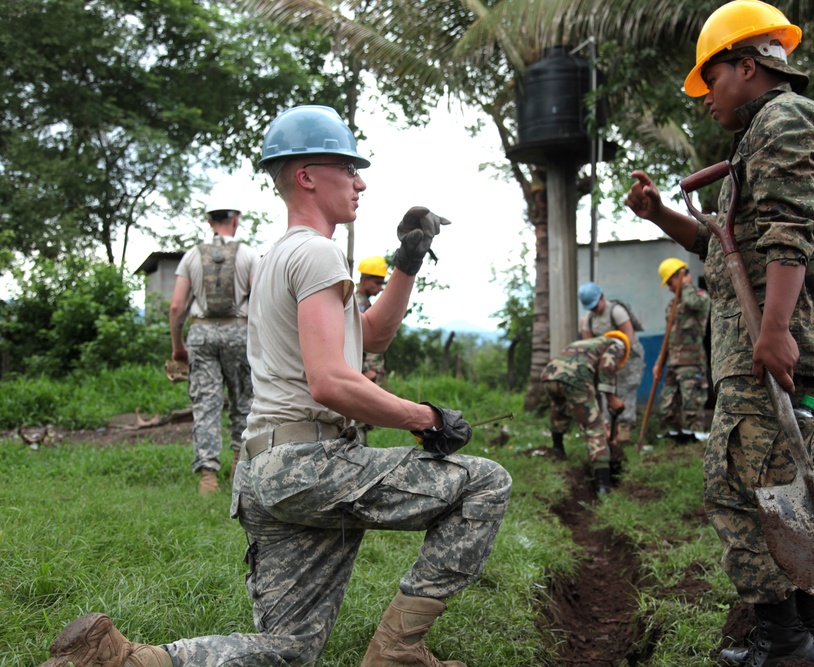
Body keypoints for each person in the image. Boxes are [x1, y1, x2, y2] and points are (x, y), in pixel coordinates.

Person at [40, 104, 512, 667]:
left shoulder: (278, 257)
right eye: (348, 168)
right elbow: (332, 381)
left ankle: (123, 660)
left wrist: (408, 262)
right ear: (307, 176)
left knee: (291, 650)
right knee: (484, 483)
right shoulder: (316, 252)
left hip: (265, 472)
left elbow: (367, 338)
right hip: (309, 463)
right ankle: (399, 653)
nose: (360, 182)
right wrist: (426, 418)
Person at [625, 2, 814, 664]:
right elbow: (727, 251)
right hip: (766, 347)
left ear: (747, 66)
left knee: (738, 486)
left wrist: (775, 330)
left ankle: (783, 643)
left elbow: (791, 229)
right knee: (779, 488)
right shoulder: (757, 137)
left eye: (711, 78)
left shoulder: (784, 120)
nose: (705, 99)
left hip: (779, 348)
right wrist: (660, 213)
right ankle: (800, 630)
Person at [169, 201, 258, 495]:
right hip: (238, 332)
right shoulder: (247, 254)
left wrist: (177, 345)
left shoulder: (192, 256)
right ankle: (238, 464)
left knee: (205, 404)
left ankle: (207, 477)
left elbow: (176, 306)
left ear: (209, 221)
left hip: (202, 332)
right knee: (242, 401)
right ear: (236, 220)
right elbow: (259, 302)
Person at [541, 331, 630, 495]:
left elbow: (593, 405)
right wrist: (612, 398)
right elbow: (607, 366)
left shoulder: (587, 345)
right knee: (592, 428)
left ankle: (558, 450)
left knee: (559, 410)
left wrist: (606, 429)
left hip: (549, 375)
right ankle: (604, 484)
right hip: (575, 377)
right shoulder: (617, 344)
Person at [578, 281, 646, 456]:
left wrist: (617, 361)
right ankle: (609, 433)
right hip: (606, 363)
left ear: (601, 297)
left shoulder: (616, 311)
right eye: (590, 307)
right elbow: (589, 346)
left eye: (595, 305)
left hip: (628, 358)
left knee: (625, 391)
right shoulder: (588, 320)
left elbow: (628, 337)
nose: (593, 309)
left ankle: (623, 433)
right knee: (606, 392)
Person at [651, 258, 711, 440]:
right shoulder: (672, 305)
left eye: (670, 282)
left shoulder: (700, 296)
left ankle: (696, 438)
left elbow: (693, 303)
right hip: (673, 363)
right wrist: (659, 362)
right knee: (667, 404)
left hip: (691, 362)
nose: (669, 288)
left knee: (692, 404)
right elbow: (669, 338)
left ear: (681, 276)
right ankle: (675, 436)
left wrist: (685, 284)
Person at [355, 255, 390, 444]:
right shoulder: (357, 305)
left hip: (369, 373)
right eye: (376, 283)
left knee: (364, 420)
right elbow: (354, 339)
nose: (379, 288)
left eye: (382, 283)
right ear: (364, 280)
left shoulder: (365, 304)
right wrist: (363, 370)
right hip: (363, 373)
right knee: (358, 420)